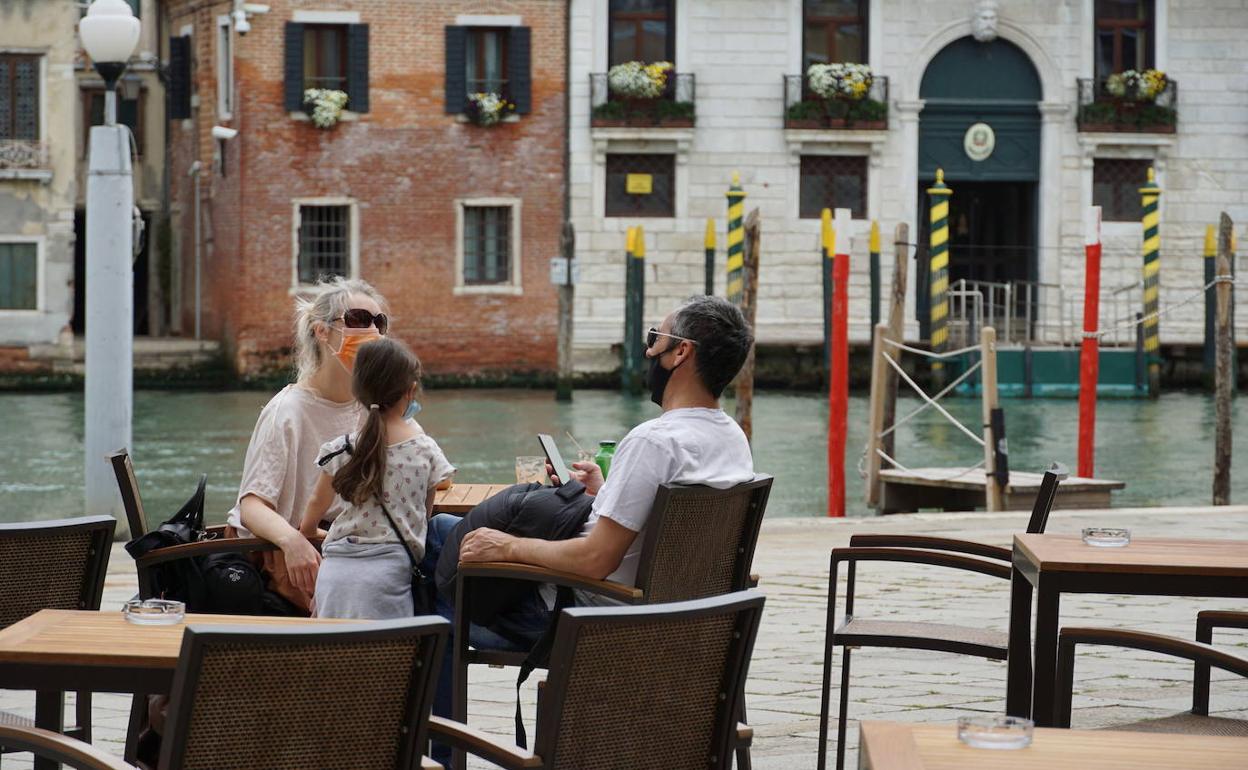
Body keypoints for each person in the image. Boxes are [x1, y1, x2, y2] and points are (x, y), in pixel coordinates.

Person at [423, 295, 755, 763]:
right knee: (443, 532)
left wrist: (509, 546)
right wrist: (607, 493)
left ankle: (435, 747)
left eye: (653, 340)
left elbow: (595, 560)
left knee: (437, 545)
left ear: (681, 352)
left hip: (592, 621)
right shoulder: (731, 437)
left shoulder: (653, 441)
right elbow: (664, 536)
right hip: (688, 620)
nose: (647, 353)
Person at [225, 276, 394, 613]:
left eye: (379, 322)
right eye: (358, 319)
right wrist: (293, 542)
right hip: (281, 550)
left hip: (345, 544)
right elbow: (253, 505)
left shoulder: (372, 407)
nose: (371, 331)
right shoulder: (286, 412)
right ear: (322, 331)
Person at [300, 337, 455, 618]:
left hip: (333, 578)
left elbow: (309, 520)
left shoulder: (340, 450)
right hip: (388, 577)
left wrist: (318, 534)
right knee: (386, 657)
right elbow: (422, 517)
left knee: (335, 657)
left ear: (358, 390)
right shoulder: (425, 451)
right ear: (411, 391)